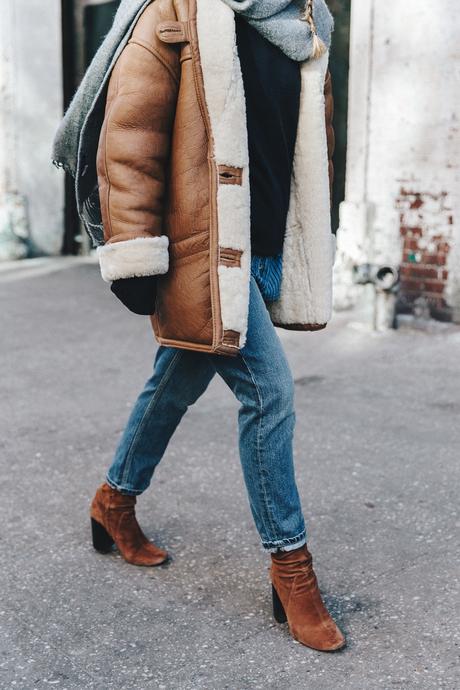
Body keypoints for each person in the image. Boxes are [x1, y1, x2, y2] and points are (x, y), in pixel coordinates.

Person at [53, 0, 344, 652]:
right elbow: (131, 137)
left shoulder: (305, 21)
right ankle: (291, 567)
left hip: (265, 241)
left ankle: (114, 501)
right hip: (202, 248)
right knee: (269, 393)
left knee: (179, 375)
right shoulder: (180, 8)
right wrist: (134, 254)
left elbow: (304, 139)